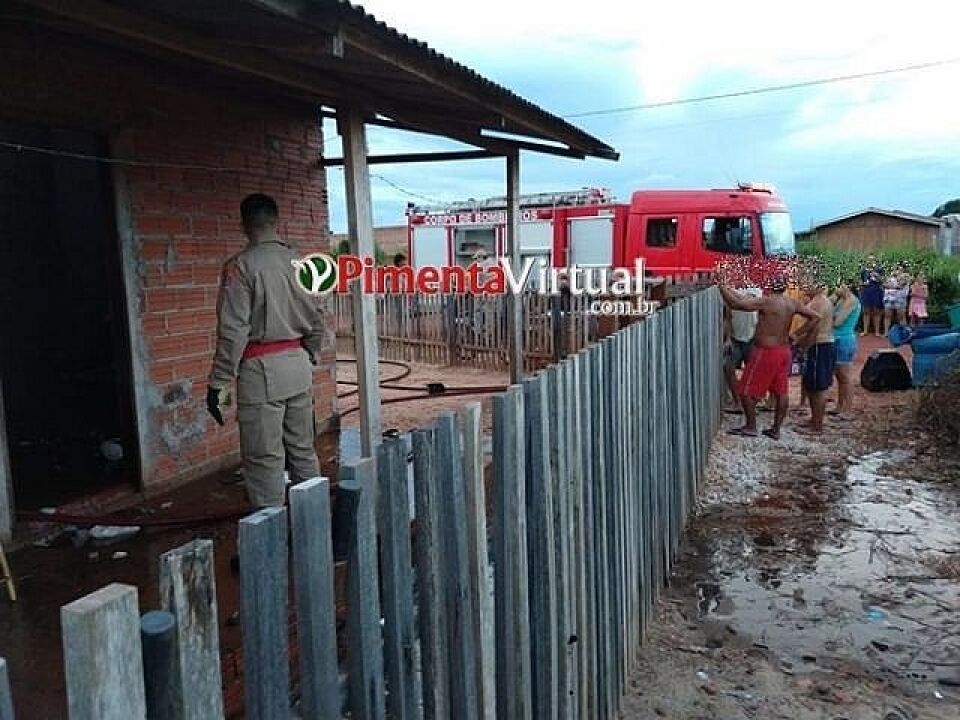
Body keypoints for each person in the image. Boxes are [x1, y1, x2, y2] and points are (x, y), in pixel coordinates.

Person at [206, 193, 327, 508]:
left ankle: (271, 543)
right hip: (299, 366)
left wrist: (219, 382)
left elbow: (233, 331)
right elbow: (319, 319)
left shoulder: (241, 267)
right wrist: (308, 353)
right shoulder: (303, 264)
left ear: (244, 225)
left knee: (264, 459)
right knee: (302, 450)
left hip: (261, 372)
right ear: (276, 221)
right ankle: (315, 524)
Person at [719, 275, 821, 440]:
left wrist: (720, 285)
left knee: (745, 391)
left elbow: (736, 304)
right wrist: (797, 334)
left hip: (766, 351)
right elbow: (816, 317)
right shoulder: (791, 303)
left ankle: (751, 426)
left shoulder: (767, 302)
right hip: (784, 351)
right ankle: (776, 429)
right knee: (781, 392)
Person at [792, 283, 835, 434]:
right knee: (812, 386)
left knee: (818, 388)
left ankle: (817, 425)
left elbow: (814, 329)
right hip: (821, 345)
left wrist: (802, 344)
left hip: (818, 346)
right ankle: (814, 419)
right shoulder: (821, 300)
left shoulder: (818, 303)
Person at [723, 286, 761, 413]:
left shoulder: (755, 289)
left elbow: (746, 301)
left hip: (752, 338)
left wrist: (724, 288)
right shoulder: (731, 290)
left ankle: (752, 402)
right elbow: (728, 319)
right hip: (736, 338)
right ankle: (737, 401)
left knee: (753, 372)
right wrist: (728, 338)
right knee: (728, 368)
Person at [831, 279, 862, 418]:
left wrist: (829, 315)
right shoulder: (840, 300)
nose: (838, 288)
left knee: (846, 377)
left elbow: (838, 322)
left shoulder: (851, 301)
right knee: (839, 376)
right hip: (836, 339)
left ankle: (848, 409)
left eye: (840, 285)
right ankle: (839, 405)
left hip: (844, 340)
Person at [859, 256, 884, 337]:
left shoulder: (879, 269)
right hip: (866, 291)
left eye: (872, 259)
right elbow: (860, 280)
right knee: (866, 310)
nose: (870, 261)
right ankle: (865, 331)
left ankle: (877, 331)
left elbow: (882, 280)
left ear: (875, 261)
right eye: (869, 259)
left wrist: (876, 275)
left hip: (876, 291)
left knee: (876, 310)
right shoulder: (863, 270)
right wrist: (862, 284)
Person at [882, 264, 908, 335]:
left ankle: (904, 333)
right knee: (887, 316)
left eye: (900, 269)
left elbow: (900, 285)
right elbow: (884, 285)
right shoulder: (889, 277)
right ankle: (886, 332)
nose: (897, 271)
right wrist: (890, 285)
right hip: (889, 299)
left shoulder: (905, 276)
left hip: (900, 299)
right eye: (896, 269)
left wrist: (891, 286)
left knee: (901, 317)